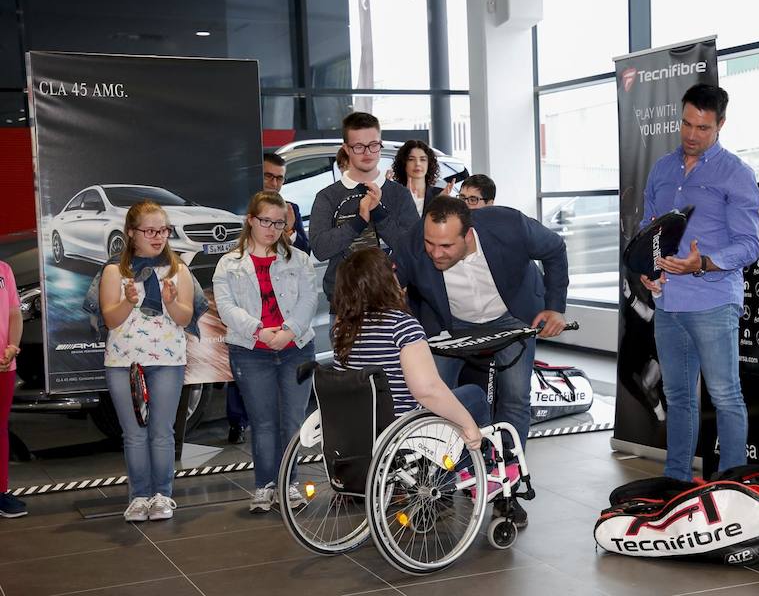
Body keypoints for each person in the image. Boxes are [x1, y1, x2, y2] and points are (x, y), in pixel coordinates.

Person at [394, 195, 569, 528]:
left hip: (511, 317)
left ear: (468, 234)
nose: (435, 252)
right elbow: (388, 285)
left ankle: (507, 492)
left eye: (445, 245)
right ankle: (438, 490)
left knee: (515, 398)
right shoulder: (413, 243)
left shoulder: (509, 226)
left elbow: (555, 249)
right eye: (430, 243)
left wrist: (555, 305)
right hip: (448, 326)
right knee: (435, 402)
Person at [639, 83, 759, 482]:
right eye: (687, 124)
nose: (692, 135)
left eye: (703, 128)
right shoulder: (661, 169)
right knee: (677, 398)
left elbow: (749, 245)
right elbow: (650, 228)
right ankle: (676, 482)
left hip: (712, 299)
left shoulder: (736, 174)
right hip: (668, 303)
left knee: (726, 396)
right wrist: (648, 267)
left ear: (721, 124)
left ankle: (732, 486)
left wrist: (703, 262)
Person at [213, 191, 317, 513]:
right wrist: (258, 330)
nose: (272, 229)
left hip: (295, 348)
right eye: (265, 222)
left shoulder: (298, 259)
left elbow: (309, 300)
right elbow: (226, 307)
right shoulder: (228, 263)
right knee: (263, 422)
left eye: (279, 223)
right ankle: (264, 485)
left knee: (292, 422)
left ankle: (290, 484)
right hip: (250, 350)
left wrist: (288, 331)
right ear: (250, 220)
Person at [331, 248, 485, 450]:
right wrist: (468, 425)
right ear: (385, 280)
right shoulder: (401, 326)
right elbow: (427, 391)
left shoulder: (343, 328)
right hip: (404, 429)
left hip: (361, 428)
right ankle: (468, 468)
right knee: (475, 395)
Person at [99, 201, 195, 522]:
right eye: (150, 231)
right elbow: (111, 320)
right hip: (124, 362)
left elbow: (185, 317)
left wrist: (170, 302)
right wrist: (127, 302)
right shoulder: (115, 271)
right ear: (131, 233)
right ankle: (139, 496)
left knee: (162, 432)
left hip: (167, 360)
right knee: (134, 434)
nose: (158, 237)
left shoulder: (178, 269)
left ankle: (162, 496)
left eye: (163, 231)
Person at [308, 112, 419, 310]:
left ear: (380, 144)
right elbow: (320, 249)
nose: (367, 153)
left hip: (393, 299)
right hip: (344, 303)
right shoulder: (327, 197)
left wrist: (378, 212)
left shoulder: (399, 194)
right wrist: (358, 222)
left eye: (373, 145)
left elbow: (412, 248)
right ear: (346, 149)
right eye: (359, 147)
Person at [0, 261, 25, 518]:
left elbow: (14, 313)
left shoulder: (4, 269)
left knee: (0, 429)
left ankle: (1, 491)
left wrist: (12, 346)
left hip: (4, 366)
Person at [389, 140, 455, 217]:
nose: (417, 163)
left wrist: (438, 203)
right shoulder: (394, 194)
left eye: (423, 159)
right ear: (403, 163)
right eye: (411, 159)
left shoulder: (439, 195)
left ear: (429, 164)